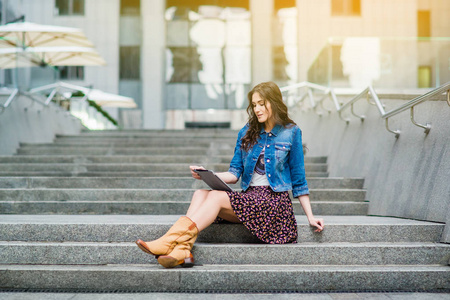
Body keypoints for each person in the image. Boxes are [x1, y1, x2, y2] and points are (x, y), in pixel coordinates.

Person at [136, 81, 324, 268]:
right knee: (199, 193)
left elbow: (299, 180)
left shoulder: (291, 132)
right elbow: (234, 174)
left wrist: (310, 217)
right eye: (254, 105)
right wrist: (207, 174)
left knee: (217, 197)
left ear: (274, 102)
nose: (257, 109)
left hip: (273, 204)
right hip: (250, 199)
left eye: (261, 103)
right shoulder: (247, 132)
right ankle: (183, 250)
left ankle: (170, 242)